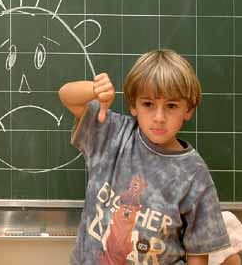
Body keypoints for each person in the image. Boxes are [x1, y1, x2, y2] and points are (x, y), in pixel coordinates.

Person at [59, 49, 230, 264]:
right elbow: (67, 95)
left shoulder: (194, 173)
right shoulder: (111, 133)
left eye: (171, 106)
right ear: (133, 105)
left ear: (188, 109)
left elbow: (198, 253)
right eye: (148, 104)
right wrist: (94, 90)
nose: (159, 117)